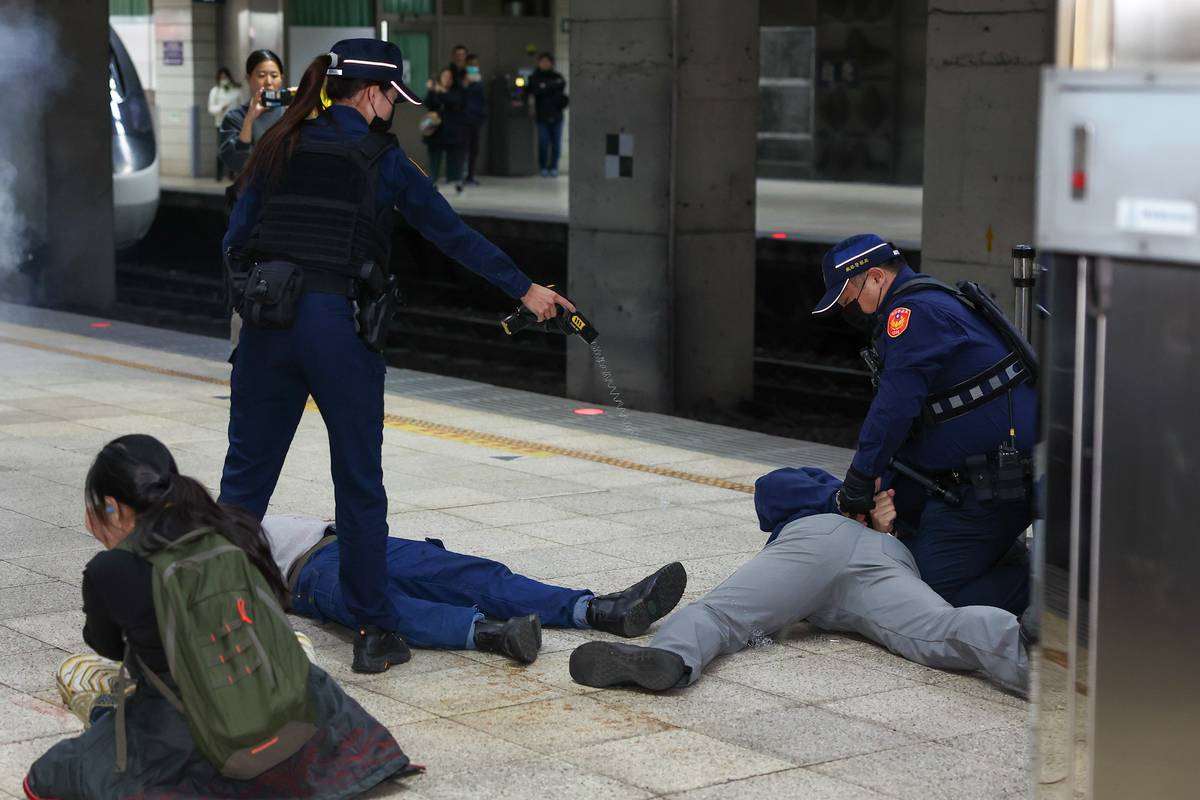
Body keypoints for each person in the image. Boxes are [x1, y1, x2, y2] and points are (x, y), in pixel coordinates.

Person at [219, 38, 574, 676]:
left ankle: (214, 620)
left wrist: (262, 300)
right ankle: (374, 633)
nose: (393, 111)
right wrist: (527, 290)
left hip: (268, 326)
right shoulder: (382, 158)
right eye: (392, 98)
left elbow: (234, 241)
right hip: (337, 329)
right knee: (357, 484)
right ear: (373, 94)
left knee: (243, 487)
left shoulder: (278, 142)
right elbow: (453, 235)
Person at [23, 435, 411, 799]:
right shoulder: (231, 528)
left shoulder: (111, 569)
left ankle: (105, 715)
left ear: (112, 507)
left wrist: (114, 549)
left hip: (188, 734)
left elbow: (106, 644)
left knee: (46, 775)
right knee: (286, 649)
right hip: (289, 708)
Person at [568, 466, 1030, 697]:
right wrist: (876, 522)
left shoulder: (819, 500)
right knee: (937, 628)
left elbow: (770, 488)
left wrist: (844, 505)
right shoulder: (878, 504)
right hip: (888, 557)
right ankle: (1024, 651)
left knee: (719, 614)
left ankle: (669, 657)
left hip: (819, 544)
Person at [810, 233, 1036, 615]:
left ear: (878, 277)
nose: (854, 310)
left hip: (993, 485)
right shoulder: (929, 303)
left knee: (932, 597)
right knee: (912, 546)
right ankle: (1002, 559)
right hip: (972, 479)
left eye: (851, 298)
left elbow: (895, 407)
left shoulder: (913, 316)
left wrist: (859, 479)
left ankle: (1046, 597)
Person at [264, 514, 687, 663]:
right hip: (306, 574)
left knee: (467, 573)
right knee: (380, 605)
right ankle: (495, 635)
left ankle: (599, 610)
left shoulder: (238, 503)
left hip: (352, 537)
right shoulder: (208, 542)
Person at [219, 49, 286, 177]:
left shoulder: (291, 112)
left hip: (288, 192)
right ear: (249, 78)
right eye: (261, 75)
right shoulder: (235, 117)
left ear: (281, 79)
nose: (269, 82)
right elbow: (236, 162)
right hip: (251, 190)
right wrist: (249, 120)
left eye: (274, 75)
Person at [423, 67, 468, 189]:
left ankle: (455, 180)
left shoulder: (456, 91)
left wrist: (440, 91)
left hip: (451, 130)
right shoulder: (435, 90)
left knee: (454, 157)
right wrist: (432, 90)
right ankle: (433, 179)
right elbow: (427, 103)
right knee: (434, 156)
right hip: (435, 129)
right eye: (444, 77)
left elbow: (454, 101)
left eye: (449, 77)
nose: (447, 80)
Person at [528, 52, 568, 177]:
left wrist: (545, 87)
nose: (545, 64)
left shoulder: (558, 76)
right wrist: (548, 87)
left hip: (557, 115)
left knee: (556, 144)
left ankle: (554, 166)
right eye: (542, 61)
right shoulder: (534, 77)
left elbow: (560, 86)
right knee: (543, 143)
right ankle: (543, 166)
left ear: (551, 63)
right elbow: (535, 90)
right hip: (542, 116)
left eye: (547, 61)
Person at [207, 67, 241, 180]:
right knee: (222, 149)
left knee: (234, 149)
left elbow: (241, 106)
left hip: (234, 125)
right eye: (221, 77)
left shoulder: (236, 90)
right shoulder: (215, 91)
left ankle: (232, 174)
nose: (224, 79)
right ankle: (219, 175)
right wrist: (221, 107)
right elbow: (211, 108)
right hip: (220, 124)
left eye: (225, 77)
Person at [462, 53, 487, 186]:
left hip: (475, 120)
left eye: (475, 65)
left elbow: (482, 101)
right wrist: (465, 84)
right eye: (471, 65)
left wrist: (482, 117)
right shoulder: (462, 80)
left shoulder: (479, 81)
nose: (473, 67)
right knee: (464, 148)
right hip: (464, 119)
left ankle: (470, 176)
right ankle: (462, 175)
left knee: (473, 149)